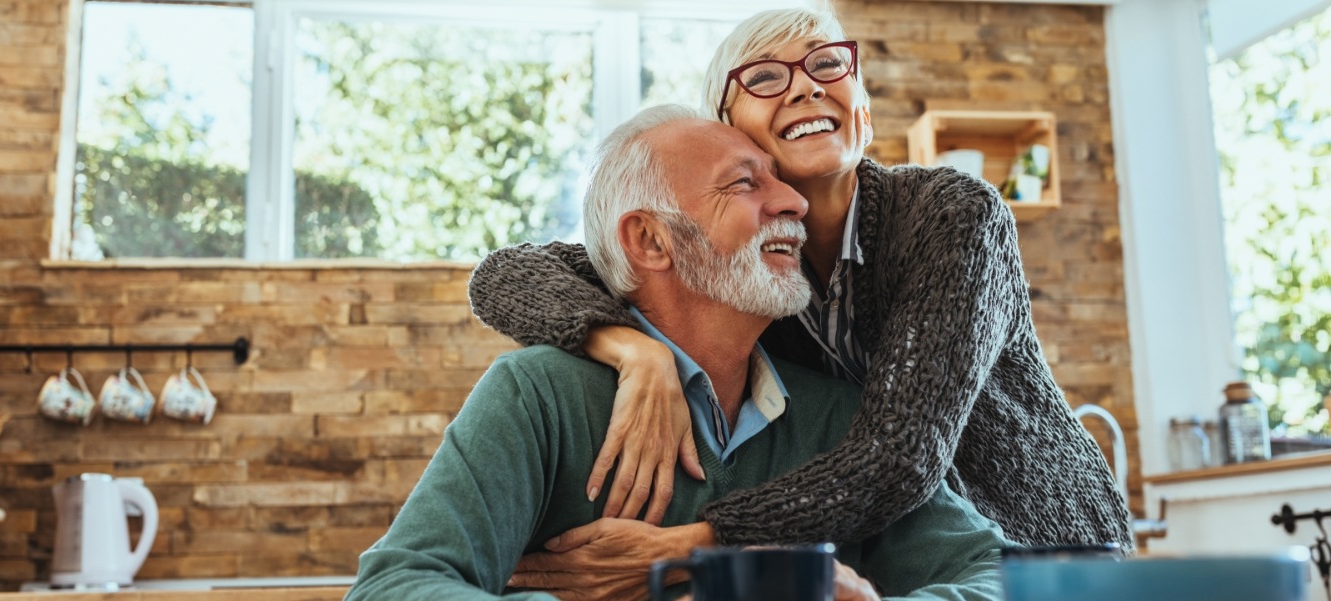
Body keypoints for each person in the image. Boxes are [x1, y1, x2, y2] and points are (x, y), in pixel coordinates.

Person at [467, 5, 1132, 565]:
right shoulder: (738, 263)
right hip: (903, 560)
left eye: (826, 64)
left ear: (862, 110)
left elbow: (898, 456)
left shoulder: (954, 215)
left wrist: (697, 542)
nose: (805, 87)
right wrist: (630, 349)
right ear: (727, 132)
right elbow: (507, 273)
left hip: (1045, 549)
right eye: (763, 77)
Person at [346, 105, 1009, 601]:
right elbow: (395, 585)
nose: (795, 201)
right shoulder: (537, 394)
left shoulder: (838, 417)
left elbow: (1001, 579)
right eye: (746, 184)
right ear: (652, 242)